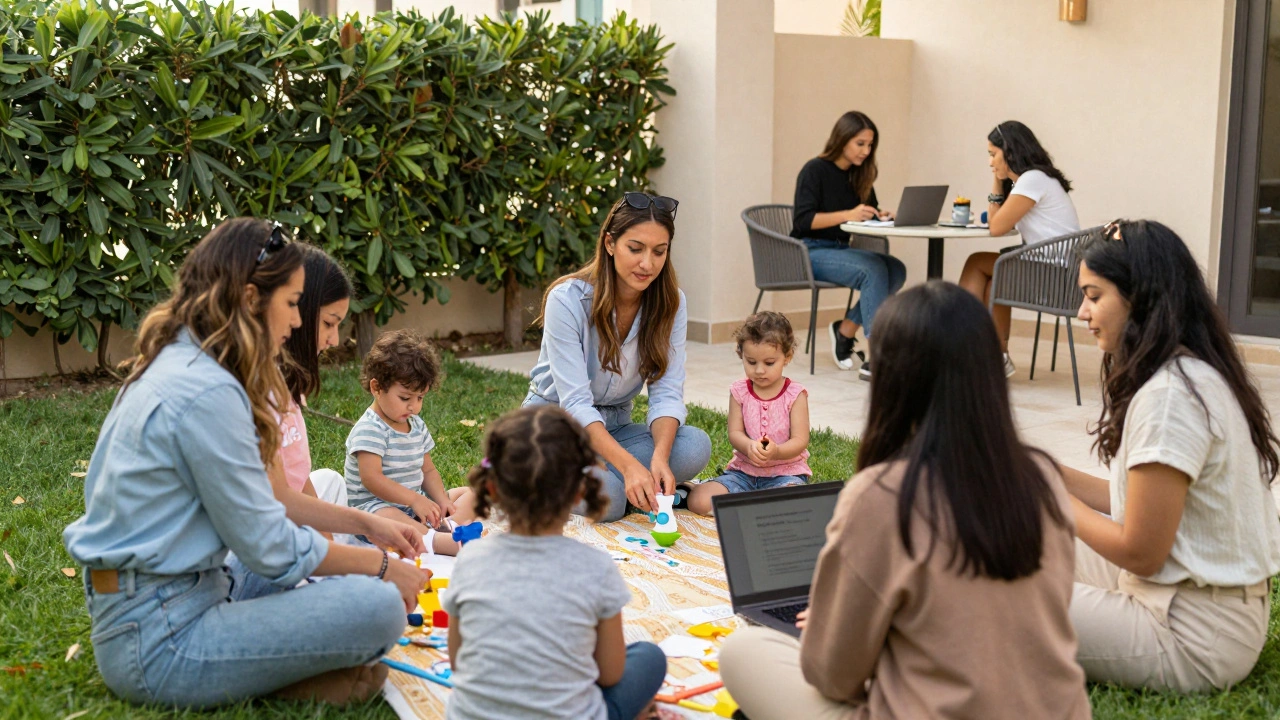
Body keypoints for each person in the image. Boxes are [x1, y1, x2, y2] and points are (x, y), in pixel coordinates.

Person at [62, 218, 430, 708]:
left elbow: (271, 505)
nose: (298, 322)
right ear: (253, 299)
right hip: (157, 640)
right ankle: (274, 679)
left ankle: (274, 673)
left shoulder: (191, 363)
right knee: (380, 607)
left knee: (340, 573)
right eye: (293, 304)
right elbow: (271, 546)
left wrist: (366, 526)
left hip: (183, 591)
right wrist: (382, 566)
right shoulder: (208, 391)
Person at [719, 282, 1090, 720]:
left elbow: (835, 677)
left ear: (892, 382)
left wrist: (831, 621)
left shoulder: (881, 495)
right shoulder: (1041, 475)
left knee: (742, 651)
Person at [1062, 219, 1280, 692]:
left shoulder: (1171, 397)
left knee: (985, 592)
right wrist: (1047, 474)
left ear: (1139, 298)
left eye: (1094, 296)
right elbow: (1146, 506)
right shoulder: (1184, 374)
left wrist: (1054, 503)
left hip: (1194, 630)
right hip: (1177, 595)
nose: (1083, 312)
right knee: (1007, 542)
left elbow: (1140, 551)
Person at [444, 405, 668, 720]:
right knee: (649, 657)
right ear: (579, 491)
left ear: (493, 487)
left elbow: (457, 662)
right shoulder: (597, 568)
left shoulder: (470, 557)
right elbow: (609, 674)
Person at [525, 192, 712, 521]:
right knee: (609, 499)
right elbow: (576, 404)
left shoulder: (672, 303)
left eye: (659, 252)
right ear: (610, 243)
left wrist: (659, 460)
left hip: (613, 429)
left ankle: (603, 476)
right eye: (635, 248)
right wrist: (629, 467)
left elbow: (667, 393)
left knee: (696, 444)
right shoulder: (567, 300)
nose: (647, 264)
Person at [958, 120, 1081, 377]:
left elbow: (996, 228)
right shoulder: (1035, 179)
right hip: (1058, 272)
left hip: (1053, 276)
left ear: (1010, 152)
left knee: (976, 262)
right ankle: (998, 357)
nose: (990, 162)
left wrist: (995, 182)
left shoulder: (1032, 180)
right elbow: (997, 223)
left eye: (993, 155)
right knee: (996, 280)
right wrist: (999, 180)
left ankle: (956, 341)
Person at [791, 110, 907, 380]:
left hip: (841, 249)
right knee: (873, 269)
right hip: (810, 250)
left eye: (870, 145)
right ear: (842, 139)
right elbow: (803, 220)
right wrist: (848, 214)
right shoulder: (814, 170)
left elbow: (867, 212)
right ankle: (877, 354)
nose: (866, 151)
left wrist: (881, 215)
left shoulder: (861, 174)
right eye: (860, 144)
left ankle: (845, 330)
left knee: (896, 269)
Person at [345, 329, 475, 555]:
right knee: (385, 518)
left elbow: (428, 470)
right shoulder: (369, 429)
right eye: (405, 398)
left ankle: (447, 525)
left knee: (471, 494)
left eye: (420, 398)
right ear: (377, 388)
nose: (413, 406)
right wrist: (414, 499)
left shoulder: (416, 425)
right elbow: (372, 479)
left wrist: (442, 500)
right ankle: (438, 541)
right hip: (375, 510)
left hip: (412, 508)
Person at [684, 312, 810, 515]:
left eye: (769, 363)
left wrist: (776, 452)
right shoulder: (739, 391)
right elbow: (734, 433)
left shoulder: (795, 395)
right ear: (741, 354)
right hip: (743, 473)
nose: (759, 370)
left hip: (786, 475)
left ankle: (750, 506)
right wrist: (749, 446)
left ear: (787, 357)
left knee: (792, 505)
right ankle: (748, 503)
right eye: (751, 362)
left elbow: (800, 440)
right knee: (698, 501)